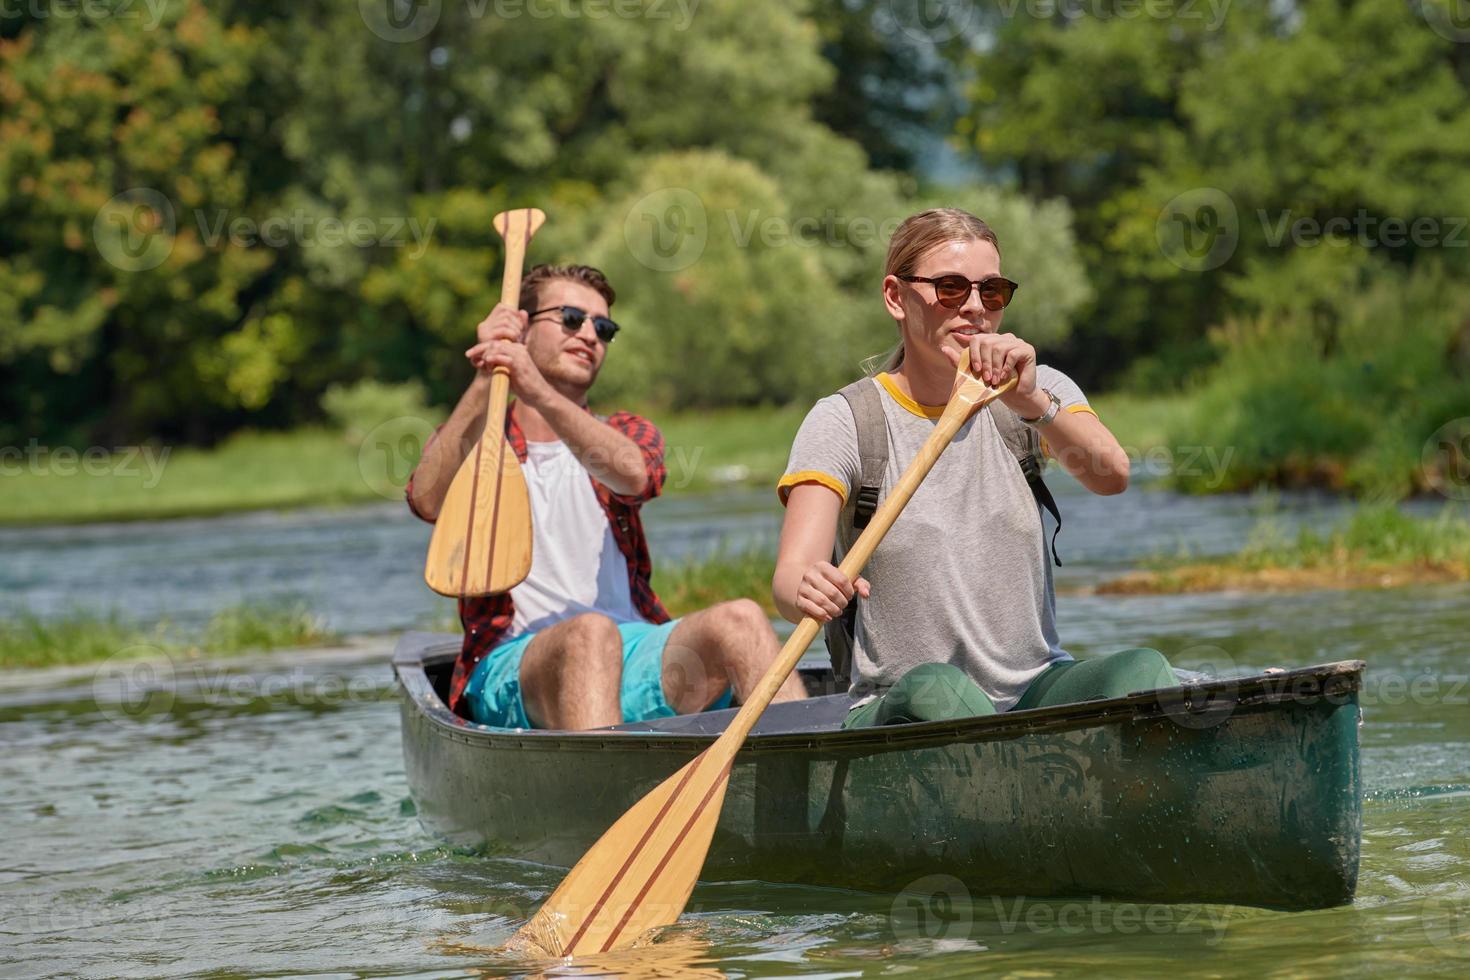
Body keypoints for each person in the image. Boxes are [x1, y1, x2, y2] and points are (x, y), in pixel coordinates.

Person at [771, 209, 1174, 728]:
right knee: (940, 691)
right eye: (951, 289)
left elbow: (1111, 475)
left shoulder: (1036, 390)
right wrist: (808, 588)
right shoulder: (845, 420)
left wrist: (1031, 400)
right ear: (896, 297)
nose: (976, 308)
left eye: (993, 291)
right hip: (902, 703)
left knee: (1142, 670)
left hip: (1033, 690)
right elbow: (788, 581)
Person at [408, 263, 806, 730]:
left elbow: (635, 476)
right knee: (590, 635)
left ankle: (805, 778)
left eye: (604, 327)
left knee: (740, 618)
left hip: (636, 648)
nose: (590, 335)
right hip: (512, 663)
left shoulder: (622, 432)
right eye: (572, 318)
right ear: (522, 328)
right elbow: (427, 500)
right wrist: (486, 376)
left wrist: (537, 390)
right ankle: (604, 795)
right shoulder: (481, 443)